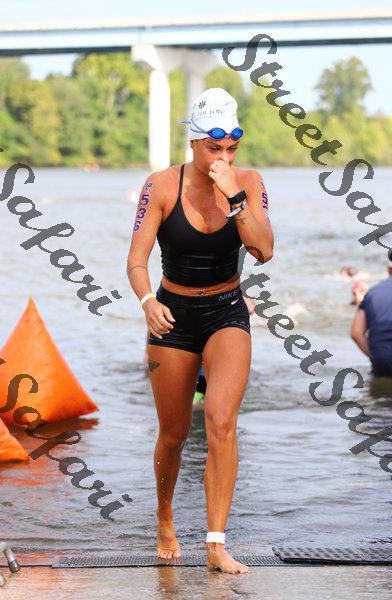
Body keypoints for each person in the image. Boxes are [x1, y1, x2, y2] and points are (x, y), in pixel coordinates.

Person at [127, 87, 274, 574]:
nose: (223, 157)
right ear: (193, 143)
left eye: (232, 147)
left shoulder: (248, 181)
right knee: (173, 434)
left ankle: (216, 544)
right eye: (214, 148)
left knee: (221, 420)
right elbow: (136, 260)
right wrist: (147, 303)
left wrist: (235, 195)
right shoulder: (161, 185)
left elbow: (264, 250)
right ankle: (164, 517)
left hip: (227, 311)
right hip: (172, 315)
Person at [351, 251, 392, 377]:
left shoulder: (372, 292)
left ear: (389, 270)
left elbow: (356, 333)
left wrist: (377, 356)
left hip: (382, 362)